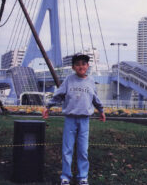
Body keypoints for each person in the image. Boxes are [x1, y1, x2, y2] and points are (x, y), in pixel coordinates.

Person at [42, 53, 106, 185]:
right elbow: (58, 95)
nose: (81, 67)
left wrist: (101, 110)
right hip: (70, 119)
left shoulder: (91, 81)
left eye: (83, 64)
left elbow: (95, 98)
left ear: (88, 66)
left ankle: (83, 177)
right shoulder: (69, 80)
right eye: (77, 64)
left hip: (84, 120)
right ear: (73, 67)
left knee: (83, 150)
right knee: (67, 149)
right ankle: (65, 177)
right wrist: (48, 107)